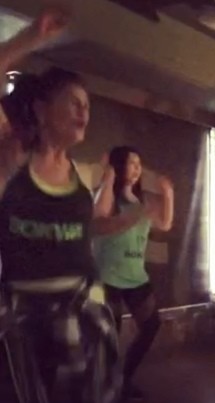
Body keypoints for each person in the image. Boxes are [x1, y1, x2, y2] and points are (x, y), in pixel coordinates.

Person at [0, 8, 123, 403]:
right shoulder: (12, 158)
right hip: (26, 326)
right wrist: (30, 38)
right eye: (73, 103)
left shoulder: (81, 173)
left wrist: (119, 192)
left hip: (83, 318)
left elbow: (93, 226)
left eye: (87, 105)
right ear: (41, 110)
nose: (84, 112)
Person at [93, 145, 174, 400]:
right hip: (108, 278)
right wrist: (108, 176)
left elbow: (165, 224)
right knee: (110, 338)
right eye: (132, 163)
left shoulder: (142, 202)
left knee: (151, 325)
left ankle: (124, 379)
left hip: (136, 278)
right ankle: (106, 388)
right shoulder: (109, 196)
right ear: (119, 166)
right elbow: (99, 215)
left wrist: (168, 194)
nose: (138, 168)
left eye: (140, 164)